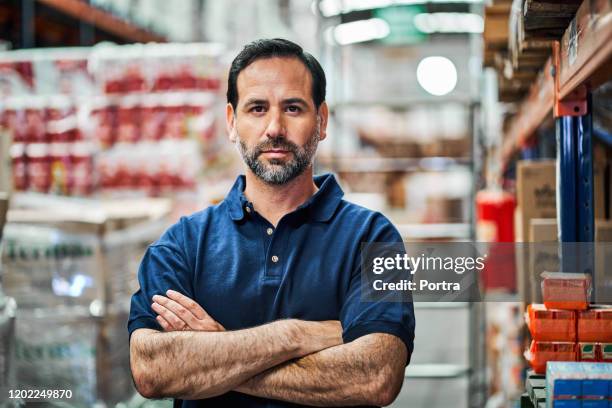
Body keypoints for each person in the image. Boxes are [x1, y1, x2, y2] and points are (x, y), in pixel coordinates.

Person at [128, 38, 415, 408]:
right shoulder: (183, 244)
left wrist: (216, 353)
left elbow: (376, 375)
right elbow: (151, 369)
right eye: (257, 108)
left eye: (293, 108)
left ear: (322, 120)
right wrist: (293, 336)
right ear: (232, 122)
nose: (274, 128)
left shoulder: (373, 237)